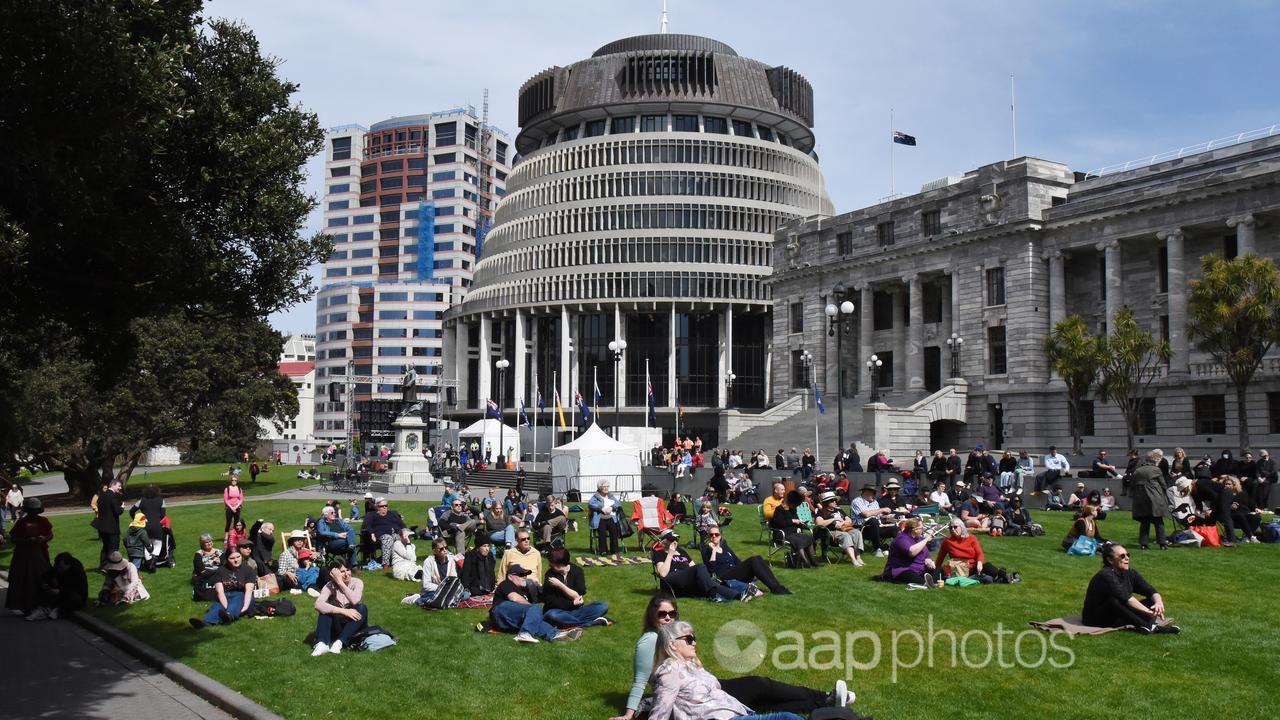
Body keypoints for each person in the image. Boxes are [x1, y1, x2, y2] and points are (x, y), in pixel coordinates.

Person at [610, 596, 852, 720]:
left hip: (709, 690)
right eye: (663, 614)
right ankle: (826, 701)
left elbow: (695, 669)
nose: (668, 617)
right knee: (762, 688)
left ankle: (826, 703)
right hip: (702, 700)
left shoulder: (680, 644)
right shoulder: (652, 642)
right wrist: (629, 714)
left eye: (673, 613)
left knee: (767, 705)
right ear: (652, 615)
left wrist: (694, 663)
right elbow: (642, 681)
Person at [649, 619, 809, 720]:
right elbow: (660, 711)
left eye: (694, 639)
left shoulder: (691, 665)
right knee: (788, 718)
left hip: (736, 714)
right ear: (672, 644)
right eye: (689, 639)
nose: (694, 643)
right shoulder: (669, 670)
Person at [1082, 543, 1179, 634]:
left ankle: (1146, 626)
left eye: (1127, 555)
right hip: (1097, 618)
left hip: (1119, 614)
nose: (1127, 558)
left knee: (1152, 600)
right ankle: (1150, 627)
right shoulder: (1106, 575)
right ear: (1110, 560)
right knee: (1114, 601)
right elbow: (1127, 599)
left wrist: (1158, 603)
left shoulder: (1130, 573)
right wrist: (1149, 612)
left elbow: (1150, 590)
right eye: (1122, 556)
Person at [489, 564, 582, 643]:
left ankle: (555, 635)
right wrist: (533, 609)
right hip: (499, 612)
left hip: (511, 620)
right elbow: (514, 598)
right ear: (510, 576)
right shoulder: (506, 584)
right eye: (521, 574)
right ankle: (525, 634)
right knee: (534, 609)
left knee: (535, 620)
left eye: (525, 574)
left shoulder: (524, 591)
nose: (525, 577)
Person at [651, 529, 743, 602]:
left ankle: (737, 596)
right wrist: (670, 554)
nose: (674, 541)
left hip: (686, 582)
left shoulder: (682, 551)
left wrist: (704, 579)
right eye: (671, 539)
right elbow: (663, 574)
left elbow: (694, 567)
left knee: (707, 581)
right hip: (672, 580)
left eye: (675, 539)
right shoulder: (660, 553)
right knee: (701, 568)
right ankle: (714, 594)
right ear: (663, 541)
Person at [701, 524, 791, 594]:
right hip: (726, 578)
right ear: (708, 537)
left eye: (716, 534)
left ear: (720, 536)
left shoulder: (724, 546)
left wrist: (746, 567)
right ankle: (776, 589)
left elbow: (737, 561)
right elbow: (710, 570)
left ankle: (778, 586)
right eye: (711, 535)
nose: (714, 536)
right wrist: (713, 551)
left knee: (757, 558)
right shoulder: (706, 549)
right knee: (753, 560)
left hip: (736, 573)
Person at [6, 497, 53, 616]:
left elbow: (50, 534)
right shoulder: (22, 523)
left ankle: (42, 603)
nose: (34, 513)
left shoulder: (44, 521)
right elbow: (13, 538)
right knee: (23, 578)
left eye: (36, 510)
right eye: (32, 510)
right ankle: (24, 605)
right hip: (23, 555)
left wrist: (44, 538)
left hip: (40, 553)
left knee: (41, 577)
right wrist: (27, 541)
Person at [310, 558, 369, 655]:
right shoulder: (330, 585)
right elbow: (318, 604)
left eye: (348, 570)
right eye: (342, 572)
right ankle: (322, 644)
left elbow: (355, 600)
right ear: (334, 574)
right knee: (325, 611)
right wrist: (343, 611)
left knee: (362, 608)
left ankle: (340, 642)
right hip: (338, 624)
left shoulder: (357, 582)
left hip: (354, 626)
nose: (347, 574)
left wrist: (341, 583)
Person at [542, 548, 611, 628]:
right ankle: (589, 623)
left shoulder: (577, 571)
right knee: (551, 615)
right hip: (558, 611)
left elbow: (578, 595)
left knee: (602, 606)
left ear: (560, 564)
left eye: (551, 563)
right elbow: (550, 601)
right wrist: (572, 603)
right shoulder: (550, 575)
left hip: (575, 611)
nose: (549, 565)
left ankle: (568, 623)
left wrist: (560, 585)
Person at [936, 518, 1018, 584]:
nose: (953, 529)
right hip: (959, 569)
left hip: (973, 567)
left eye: (955, 527)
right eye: (950, 528)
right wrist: (935, 568)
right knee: (988, 578)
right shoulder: (947, 541)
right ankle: (999, 578)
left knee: (987, 566)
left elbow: (979, 553)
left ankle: (1004, 576)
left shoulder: (972, 538)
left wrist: (979, 562)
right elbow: (940, 558)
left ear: (962, 527)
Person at [26, 552, 89, 621]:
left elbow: (79, 589)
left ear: (68, 565)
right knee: (46, 586)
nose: (59, 570)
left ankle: (57, 610)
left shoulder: (77, 571)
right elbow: (46, 575)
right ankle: (44, 608)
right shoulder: (58, 567)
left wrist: (61, 591)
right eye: (58, 567)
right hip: (60, 590)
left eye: (61, 568)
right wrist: (45, 583)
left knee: (74, 598)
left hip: (73, 594)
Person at [1130, 449, 1171, 550]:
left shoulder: (1138, 470)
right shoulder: (1156, 470)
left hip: (1141, 498)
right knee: (1158, 521)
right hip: (1154, 498)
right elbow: (1163, 485)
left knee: (1145, 521)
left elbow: (1132, 485)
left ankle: (1143, 544)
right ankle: (1162, 544)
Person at [881, 517, 940, 587]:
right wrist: (926, 539)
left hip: (920, 570)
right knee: (911, 575)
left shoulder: (919, 539)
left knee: (938, 569)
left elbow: (926, 556)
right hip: (902, 570)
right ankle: (927, 582)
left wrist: (929, 562)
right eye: (921, 528)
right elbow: (911, 552)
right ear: (915, 530)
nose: (923, 530)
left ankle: (929, 582)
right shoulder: (901, 539)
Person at [814, 491, 864, 567]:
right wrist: (834, 519)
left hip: (844, 529)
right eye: (832, 500)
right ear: (827, 502)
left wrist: (842, 523)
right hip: (831, 533)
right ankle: (853, 561)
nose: (834, 502)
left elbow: (849, 520)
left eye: (835, 500)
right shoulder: (821, 511)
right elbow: (819, 523)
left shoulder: (839, 510)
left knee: (857, 533)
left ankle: (858, 558)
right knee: (845, 535)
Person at [402, 538, 459, 606]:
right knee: (436, 597)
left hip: (447, 590)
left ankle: (431, 600)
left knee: (465, 595)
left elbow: (453, 579)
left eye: (446, 548)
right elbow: (426, 585)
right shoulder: (428, 562)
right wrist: (441, 588)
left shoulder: (451, 560)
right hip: (433, 591)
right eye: (441, 549)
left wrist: (448, 589)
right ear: (434, 551)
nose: (445, 550)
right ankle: (415, 599)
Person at [769, 490, 818, 568]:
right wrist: (792, 521)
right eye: (795, 505)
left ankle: (814, 562)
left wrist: (801, 523)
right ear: (791, 503)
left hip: (793, 533)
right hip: (782, 534)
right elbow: (778, 523)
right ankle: (807, 563)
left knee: (809, 538)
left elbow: (796, 521)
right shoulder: (779, 509)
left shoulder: (793, 509)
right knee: (798, 542)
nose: (796, 507)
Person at [851, 483, 893, 556]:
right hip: (861, 529)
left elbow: (879, 515)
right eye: (873, 492)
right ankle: (877, 549)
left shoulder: (875, 502)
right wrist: (882, 509)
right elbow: (866, 514)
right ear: (866, 492)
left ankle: (893, 548)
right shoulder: (857, 501)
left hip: (876, 527)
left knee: (895, 528)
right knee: (873, 520)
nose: (874, 494)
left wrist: (886, 517)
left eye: (874, 493)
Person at [364, 497, 407, 567]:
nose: (384, 507)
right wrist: (372, 534)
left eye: (386, 506)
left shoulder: (392, 514)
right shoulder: (371, 515)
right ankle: (386, 564)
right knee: (388, 538)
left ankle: (400, 561)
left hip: (395, 533)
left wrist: (405, 531)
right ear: (376, 506)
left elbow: (402, 524)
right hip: (381, 535)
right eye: (381, 506)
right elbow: (368, 525)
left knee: (402, 538)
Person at [91, 479, 124, 568]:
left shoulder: (101, 495)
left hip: (102, 526)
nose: (120, 488)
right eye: (119, 486)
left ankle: (103, 566)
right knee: (113, 548)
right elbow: (117, 511)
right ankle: (112, 567)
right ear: (113, 485)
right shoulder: (113, 496)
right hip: (111, 526)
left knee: (105, 547)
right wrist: (122, 508)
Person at [588, 481, 624, 558]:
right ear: (600, 488)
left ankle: (614, 550)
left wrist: (612, 507)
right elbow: (591, 504)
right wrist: (602, 508)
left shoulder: (611, 496)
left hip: (611, 517)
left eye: (607, 486)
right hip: (600, 518)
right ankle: (603, 551)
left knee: (614, 531)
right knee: (602, 532)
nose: (606, 488)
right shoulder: (595, 496)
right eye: (604, 486)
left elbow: (618, 503)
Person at [1224, 476, 1264, 543]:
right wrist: (1230, 507)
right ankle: (1250, 536)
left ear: (1235, 485)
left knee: (1257, 517)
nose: (1227, 485)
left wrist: (1255, 508)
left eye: (1229, 484)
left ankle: (1246, 537)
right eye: (1226, 484)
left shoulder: (1242, 493)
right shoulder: (1224, 494)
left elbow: (1250, 502)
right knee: (1240, 515)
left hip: (1246, 513)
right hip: (1232, 515)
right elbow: (1221, 506)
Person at [460, 533, 497, 599]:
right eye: (484, 546)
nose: (487, 549)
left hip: (489, 587)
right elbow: (466, 573)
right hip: (474, 587)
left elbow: (491, 573)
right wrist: (466, 588)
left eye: (488, 546)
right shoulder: (470, 556)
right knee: (467, 596)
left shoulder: (490, 556)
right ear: (478, 547)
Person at [191, 533, 223, 601]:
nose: (209, 543)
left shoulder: (219, 552)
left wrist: (219, 564)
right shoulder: (199, 554)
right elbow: (200, 569)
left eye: (210, 541)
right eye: (206, 542)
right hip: (205, 575)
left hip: (218, 573)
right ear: (202, 544)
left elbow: (224, 565)